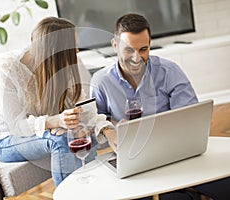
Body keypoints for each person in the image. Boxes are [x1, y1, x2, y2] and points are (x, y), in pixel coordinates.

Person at [90, 13, 230, 200]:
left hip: (175, 153)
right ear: (115, 45)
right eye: (129, 50)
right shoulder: (101, 81)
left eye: (143, 49)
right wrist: (109, 131)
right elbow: (96, 120)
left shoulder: (169, 72)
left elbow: (190, 117)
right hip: (131, 162)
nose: (136, 58)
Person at [0, 16, 115, 187]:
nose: (77, 51)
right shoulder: (6, 68)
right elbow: (17, 126)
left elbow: (85, 107)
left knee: (81, 130)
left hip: (43, 132)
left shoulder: (59, 66)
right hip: (7, 140)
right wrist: (56, 121)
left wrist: (106, 129)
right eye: (72, 47)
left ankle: (90, 189)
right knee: (61, 138)